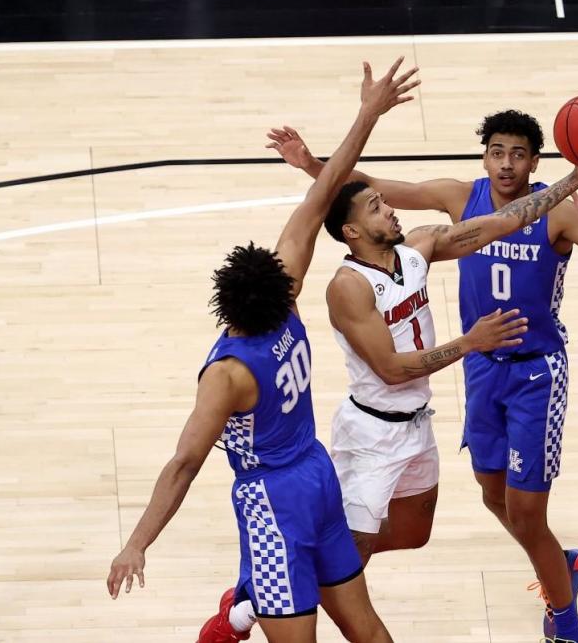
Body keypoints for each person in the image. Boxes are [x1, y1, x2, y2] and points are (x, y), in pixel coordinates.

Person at [272, 109, 578, 642]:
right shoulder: (454, 200)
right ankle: (560, 566)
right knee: (494, 499)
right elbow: (376, 188)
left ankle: (566, 623)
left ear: (536, 160)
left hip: (534, 372)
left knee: (526, 513)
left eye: (518, 154)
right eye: (497, 152)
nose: (507, 163)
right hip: (478, 368)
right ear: (484, 156)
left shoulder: (555, 213)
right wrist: (311, 164)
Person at [106, 58, 416, 643]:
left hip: (272, 501)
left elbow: (184, 465)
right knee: (367, 632)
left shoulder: (226, 373)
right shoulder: (291, 298)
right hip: (318, 473)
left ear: (226, 309)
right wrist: (367, 113)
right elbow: (327, 190)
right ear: (279, 287)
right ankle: (240, 612)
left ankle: (237, 616)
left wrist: (136, 542)